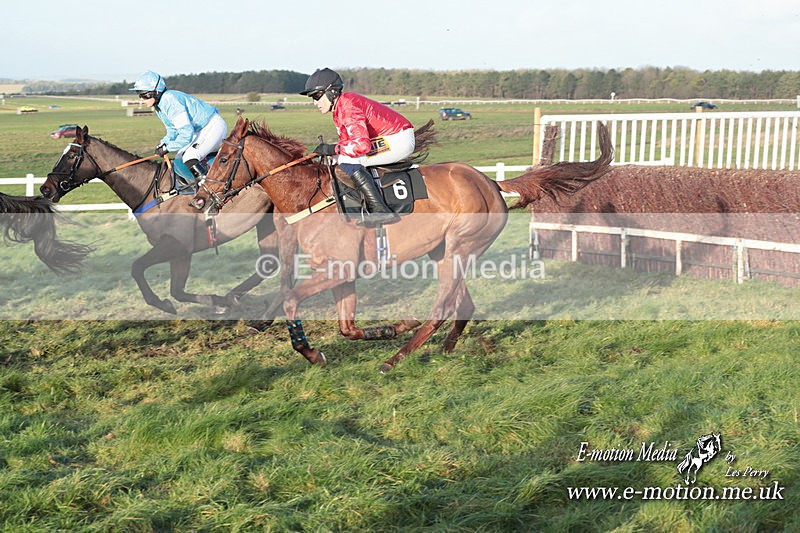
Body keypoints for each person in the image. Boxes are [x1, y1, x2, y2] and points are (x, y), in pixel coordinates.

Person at [301, 68, 415, 225]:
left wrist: (333, 149)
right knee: (337, 160)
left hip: (398, 139)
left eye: (317, 96)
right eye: (312, 98)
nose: (315, 102)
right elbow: (347, 142)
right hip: (391, 136)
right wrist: (332, 153)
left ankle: (380, 210)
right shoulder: (339, 108)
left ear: (331, 92)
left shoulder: (348, 105)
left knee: (348, 161)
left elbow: (361, 145)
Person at [129, 71, 227, 188]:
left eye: (144, 95)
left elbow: (186, 134)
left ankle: (210, 189)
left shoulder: (169, 100)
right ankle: (197, 184)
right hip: (201, 129)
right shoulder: (159, 106)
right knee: (179, 160)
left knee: (190, 157)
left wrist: (167, 148)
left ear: (156, 92)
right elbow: (172, 130)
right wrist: (163, 144)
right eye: (140, 95)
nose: (142, 99)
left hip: (213, 126)